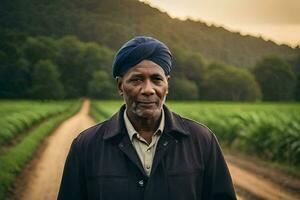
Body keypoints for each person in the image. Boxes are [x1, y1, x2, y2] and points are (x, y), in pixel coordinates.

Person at [58, 36, 237, 200]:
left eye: (156, 79)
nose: (148, 89)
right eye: (136, 80)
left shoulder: (202, 140)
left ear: (167, 85)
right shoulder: (86, 146)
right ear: (120, 86)